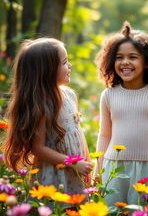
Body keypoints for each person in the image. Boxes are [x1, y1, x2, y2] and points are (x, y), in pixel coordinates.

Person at [95, 21, 148, 206]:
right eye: (119, 57)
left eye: (132, 57)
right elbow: (104, 135)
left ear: (147, 62)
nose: (125, 62)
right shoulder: (108, 94)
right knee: (114, 215)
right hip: (114, 168)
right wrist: (99, 169)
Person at [2, 38, 93, 193]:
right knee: (57, 213)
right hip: (54, 175)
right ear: (47, 71)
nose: (69, 65)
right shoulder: (42, 104)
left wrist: (87, 163)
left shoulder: (70, 95)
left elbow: (78, 134)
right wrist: (73, 163)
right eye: (64, 63)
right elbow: (38, 148)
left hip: (76, 169)